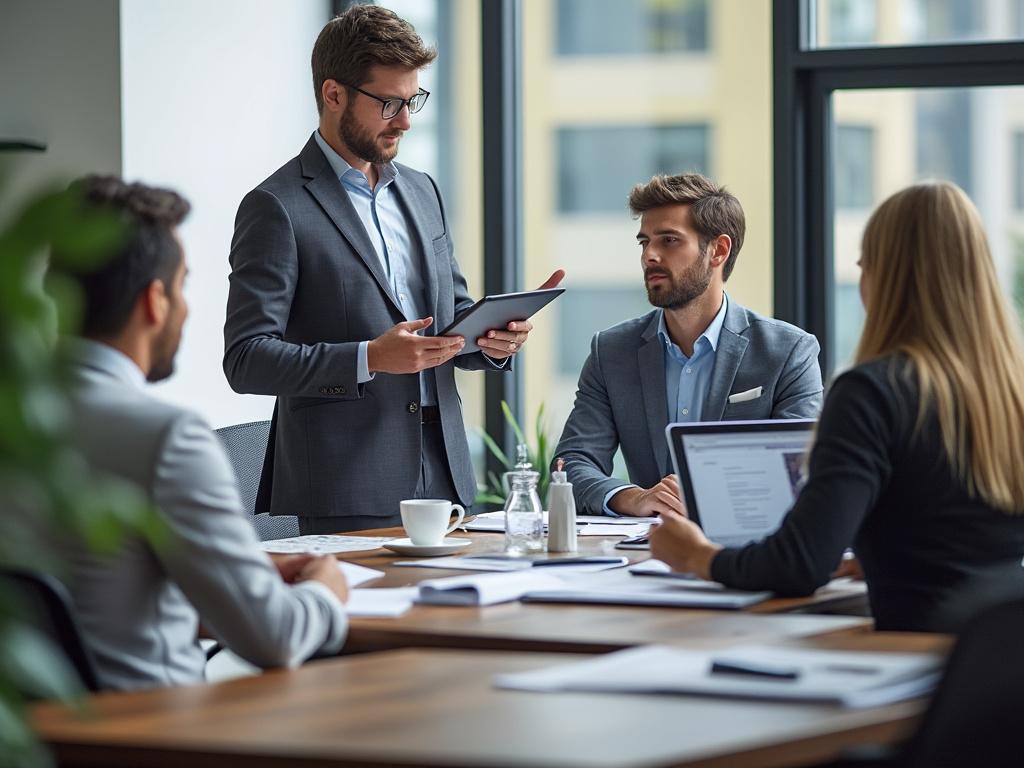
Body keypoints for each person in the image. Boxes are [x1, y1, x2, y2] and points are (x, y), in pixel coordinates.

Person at [223, 5, 560, 534]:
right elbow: (246, 360)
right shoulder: (276, 206)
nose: (405, 120)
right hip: (346, 483)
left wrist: (490, 336)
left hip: (447, 471)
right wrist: (371, 358)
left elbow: (451, 316)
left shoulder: (421, 190)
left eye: (412, 101)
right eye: (388, 103)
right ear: (333, 95)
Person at [650, 181, 1024, 633]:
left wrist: (694, 555)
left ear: (888, 277)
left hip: (917, 660)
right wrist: (880, 557)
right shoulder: (1010, 389)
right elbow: (965, 535)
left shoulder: (872, 392)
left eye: (866, 266)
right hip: (997, 663)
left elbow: (797, 565)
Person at [53, 176, 349, 690]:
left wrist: (238, 574)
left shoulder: (22, 425)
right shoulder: (167, 439)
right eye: (183, 285)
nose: (187, 308)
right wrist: (326, 590)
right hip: (153, 733)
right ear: (154, 301)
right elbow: (274, 638)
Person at [554, 173, 822, 517]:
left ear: (718, 251)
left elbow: (802, 472)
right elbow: (572, 464)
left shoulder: (788, 352)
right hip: (644, 551)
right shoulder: (611, 351)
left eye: (668, 240)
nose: (649, 255)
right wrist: (633, 497)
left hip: (746, 552)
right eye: (644, 242)